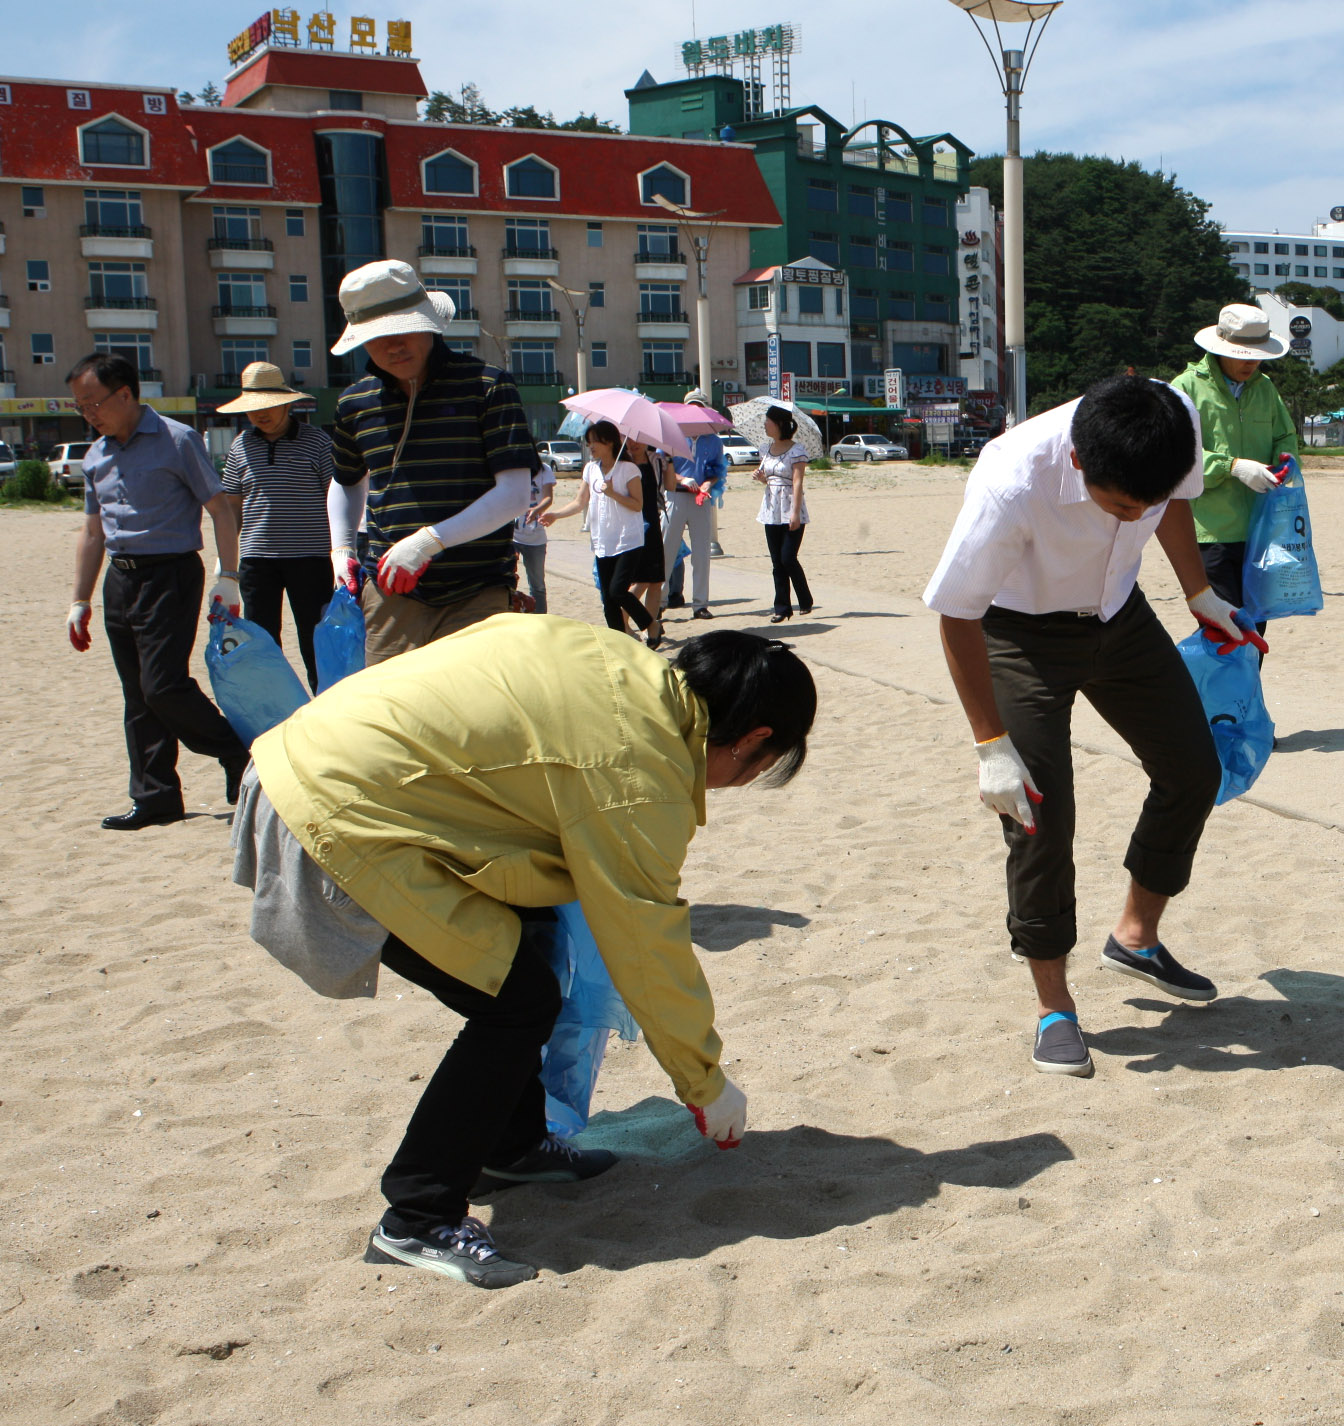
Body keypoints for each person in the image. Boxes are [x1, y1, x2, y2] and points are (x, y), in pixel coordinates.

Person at [232, 618, 816, 1287]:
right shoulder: (640, 766)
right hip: (333, 816)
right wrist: (705, 1082)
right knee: (515, 1002)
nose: (740, 783)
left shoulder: (621, 666)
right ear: (753, 740)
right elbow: (645, 940)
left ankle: (509, 1147)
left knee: (533, 936)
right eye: (759, 770)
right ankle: (418, 1216)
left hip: (313, 761)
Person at [924, 374, 1262, 1077]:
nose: (1134, 513)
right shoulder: (1013, 480)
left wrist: (1199, 594)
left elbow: (1174, 501)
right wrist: (991, 746)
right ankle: (1055, 1006)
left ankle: (1136, 937)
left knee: (1194, 769)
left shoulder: (1174, 425)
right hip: (1020, 633)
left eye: (1146, 500)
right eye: (1120, 505)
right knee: (1037, 811)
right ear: (1080, 463)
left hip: (1118, 615)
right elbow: (956, 612)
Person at [64, 352, 251, 830]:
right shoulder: (95, 455)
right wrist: (79, 600)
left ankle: (234, 749)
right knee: (137, 694)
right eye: (80, 406)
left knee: (163, 685)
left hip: (170, 573)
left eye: (93, 402)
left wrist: (228, 575)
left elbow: (220, 509)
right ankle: (156, 798)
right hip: (120, 580)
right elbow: (92, 534)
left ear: (125, 394)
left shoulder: (177, 439)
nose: (88, 412)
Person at [325, 260, 535, 665]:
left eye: (404, 329)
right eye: (377, 337)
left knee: (472, 708)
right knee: (393, 710)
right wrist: (341, 548)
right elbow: (347, 480)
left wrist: (427, 542)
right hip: (389, 592)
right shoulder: (355, 402)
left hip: (477, 586)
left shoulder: (487, 386)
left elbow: (513, 493)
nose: (394, 346)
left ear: (428, 322)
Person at [215, 362, 337, 688]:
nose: (260, 415)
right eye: (253, 409)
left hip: (310, 558)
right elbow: (232, 507)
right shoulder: (240, 445)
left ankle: (325, 704)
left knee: (315, 639)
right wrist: (223, 564)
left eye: (267, 406)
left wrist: (343, 551)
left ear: (287, 403)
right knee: (261, 639)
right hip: (257, 560)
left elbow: (336, 500)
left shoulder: (318, 442)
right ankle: (275, 708)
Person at [1170, 304, 1299, 610]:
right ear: (1220, 348)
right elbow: (1175, 458)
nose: (1252, 363)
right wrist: (1232, 467)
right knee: (1225, 624)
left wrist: (1287, 463)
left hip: (1261, 527)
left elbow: (1285, 436)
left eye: (1258, 356)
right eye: (1243, 355)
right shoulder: (1185, 387)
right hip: (1211, 533)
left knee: (1257, 624)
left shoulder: (1265, 388)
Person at [533, 421, 659, 639]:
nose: (590, 446)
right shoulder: (591, 469)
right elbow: (579, 502)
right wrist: (556, 515)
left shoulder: (628, 469)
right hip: (603, 540)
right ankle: (619, 642)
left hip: (628, 539)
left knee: (618, 590)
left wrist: (613, 493)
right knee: (608, 600)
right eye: (588, 442)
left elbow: (638, 504)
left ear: (609, 442)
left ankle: (650, 624)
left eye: (594, 442)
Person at [664, 388, 725, 619]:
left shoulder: (713, 441)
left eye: (699, 406)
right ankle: (659, 600)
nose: (695, 411)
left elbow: (716, 470)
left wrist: (709, 483)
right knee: (668, 549)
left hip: (700, 498)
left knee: (702, 552)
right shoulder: (672, 436)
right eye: (691, 406)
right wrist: (681, 479)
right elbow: (664, 466)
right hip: (676, 495)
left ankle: (700, 604)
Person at [754, 403, 813, 623]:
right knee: (776, 561)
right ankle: (782, 607)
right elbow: (769, 479)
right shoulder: (765, 449)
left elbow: (797, 482)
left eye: (768, 421)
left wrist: (795, 513)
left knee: (788, 557)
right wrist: (761, 479)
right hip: (771, 508)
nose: (765, 425)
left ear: (779, 423)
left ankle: (805, 599)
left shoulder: (796, 450)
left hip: (790, 505)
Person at [623, 435, 671, 649]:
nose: (634, 443)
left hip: (653, 522)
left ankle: (649, 629)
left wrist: (669, 459)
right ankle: (622, 623)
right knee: (639, 581)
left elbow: (669, 486)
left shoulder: (657, 460)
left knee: (655, 580)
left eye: (639, 439)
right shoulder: (622, 462)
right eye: (630, 439)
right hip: (631, 524)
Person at [511, 457, 558, 616]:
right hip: (513, 535)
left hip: (536, 537)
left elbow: (548, 498)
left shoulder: (544, 470)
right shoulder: (512, 469)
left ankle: (540, 620)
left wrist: (536, 510)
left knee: (537, 585)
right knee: (506, 578)